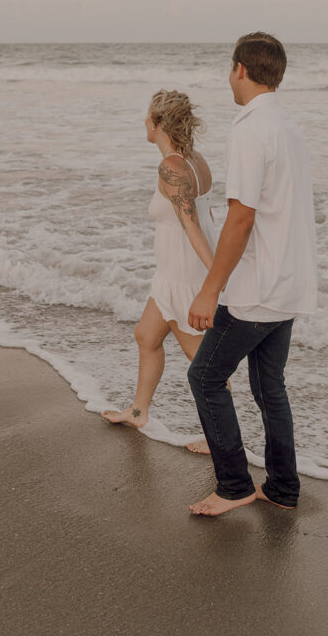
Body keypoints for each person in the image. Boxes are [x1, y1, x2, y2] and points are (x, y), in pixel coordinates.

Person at [186, 32, 318, 516]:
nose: (228, 76)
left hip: (258, 287)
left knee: (204, 378)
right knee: (269, 388)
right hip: (290, 282)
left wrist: (208, 290)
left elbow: (242, 217)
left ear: (240, 69)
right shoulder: (289, 126)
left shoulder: (249, 129)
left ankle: (235, 485)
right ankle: (282, 489)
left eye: (229, 68)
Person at [102, 90, 216, 438]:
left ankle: (222, 441)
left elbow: (193, 225)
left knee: (204, 367)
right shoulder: (195, 159)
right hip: (171, 274)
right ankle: (138, 411)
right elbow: (210, 216)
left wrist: (217, 277)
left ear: (159, 123)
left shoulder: (172, 167)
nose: (144, 120)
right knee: (146, 336)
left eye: (148, 115)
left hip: (185, 276)